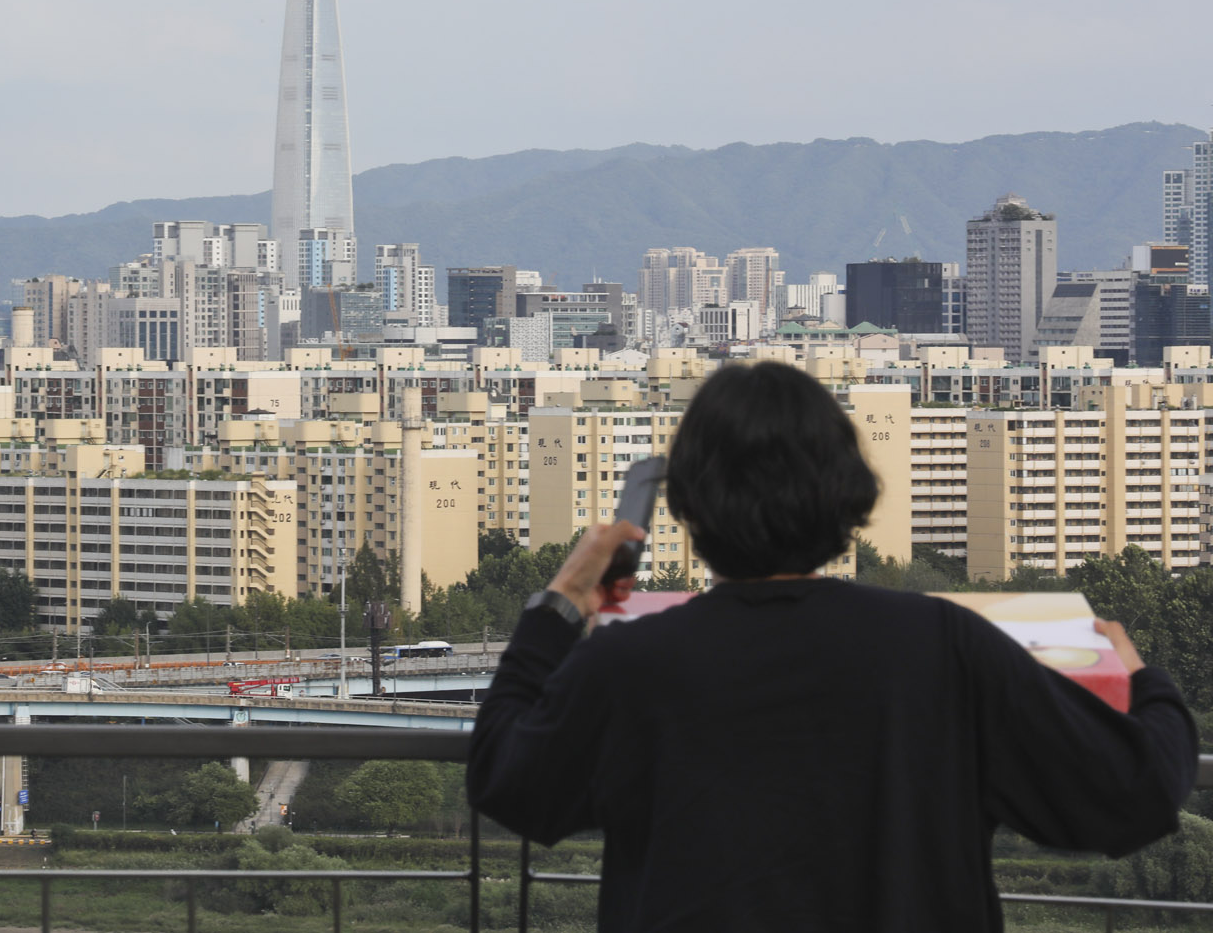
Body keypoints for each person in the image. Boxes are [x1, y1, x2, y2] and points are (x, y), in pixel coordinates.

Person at [467, 360, 1198, 931]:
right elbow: (1130, 797)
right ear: (847, 496)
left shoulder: (628, 665)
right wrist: (1146, 685)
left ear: (685, 508)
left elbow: (508, 778)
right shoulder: (944, 648)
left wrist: (559, 603)